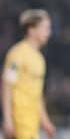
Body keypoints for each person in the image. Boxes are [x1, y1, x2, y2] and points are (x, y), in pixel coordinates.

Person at [1, 9, 56, 139]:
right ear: (31, 30)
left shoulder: (39, 58)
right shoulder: (17, 54)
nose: (49, 33)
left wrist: (45, 121)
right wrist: (7, 119)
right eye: (45, 28)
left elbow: (37, 94)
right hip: (18, 122)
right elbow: (6, 86)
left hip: (32, 124)